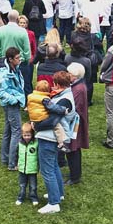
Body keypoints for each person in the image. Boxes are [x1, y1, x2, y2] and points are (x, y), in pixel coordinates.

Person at [34, 71, 75, 214]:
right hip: (51, 137)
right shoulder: (65, 96)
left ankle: (54, 202)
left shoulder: (64, 100)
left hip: (49, 137)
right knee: (53, 166)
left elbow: (52, 121)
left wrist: (36, 125)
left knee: (47, 170)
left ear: (57, 84)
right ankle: (58, 194)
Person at [0, 47, 26, 170]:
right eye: (17, 58)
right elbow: (0, 92)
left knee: (8, 130)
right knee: (17, 132)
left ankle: (5, 157)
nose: (20, 60)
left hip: (12, 103)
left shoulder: (14, 69)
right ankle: (12, 163)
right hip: (11, 104)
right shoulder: (4, 73)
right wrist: (15, 100)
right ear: (10, 59)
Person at [64, 62, 90, 185]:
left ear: (75, 75)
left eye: (69, 73)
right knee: (72, 149)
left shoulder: (78, 89)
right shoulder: (77, 85)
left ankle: (75, 176)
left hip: (75, 124)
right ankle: (74, 174)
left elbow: (74, 107)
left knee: (73, 149)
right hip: (75, 122)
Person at [15, 123, 39, 206]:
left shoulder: (36, 143)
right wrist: (16, 164)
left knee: (33, 186)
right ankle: (21, 197)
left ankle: (34, 197)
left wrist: (39, 166)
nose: (27, 137)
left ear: (32, 134)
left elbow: (39, 156)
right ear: (22, 135)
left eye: (28, 135)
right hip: (22, 169)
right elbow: (16, 154)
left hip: (32, 169)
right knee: (22, 185)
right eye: (25, 135)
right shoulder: (20, 144)